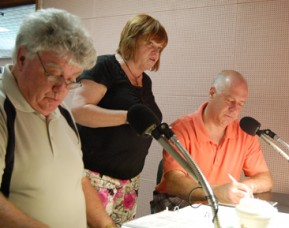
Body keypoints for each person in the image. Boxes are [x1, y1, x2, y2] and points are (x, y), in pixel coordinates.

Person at [0, 8, 116, 228]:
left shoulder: (63, 114)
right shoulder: (3, 110)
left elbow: (77, 179)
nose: (61, 90)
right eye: (53, 73)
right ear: (22, 58)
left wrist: (105, 224)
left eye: (72, 79)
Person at [71, 14, 168, 227]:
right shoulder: (105, 66)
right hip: (96, 179)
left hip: (129, 182)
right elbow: (78, 110)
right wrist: (127, 117)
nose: (156, 52)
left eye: (160, 48)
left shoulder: (146, 81)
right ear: (132, 40)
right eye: (150, 44)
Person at [153, 70, 273, 212]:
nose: (234, 109)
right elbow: (174, 182)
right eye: (230, 101)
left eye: (241, 104)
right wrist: (215, 192)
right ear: (212, 93)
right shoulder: (180, 129)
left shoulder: (245, 133)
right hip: (178, 201)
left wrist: (246, 187)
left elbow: (265, 179)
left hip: (219, 203)